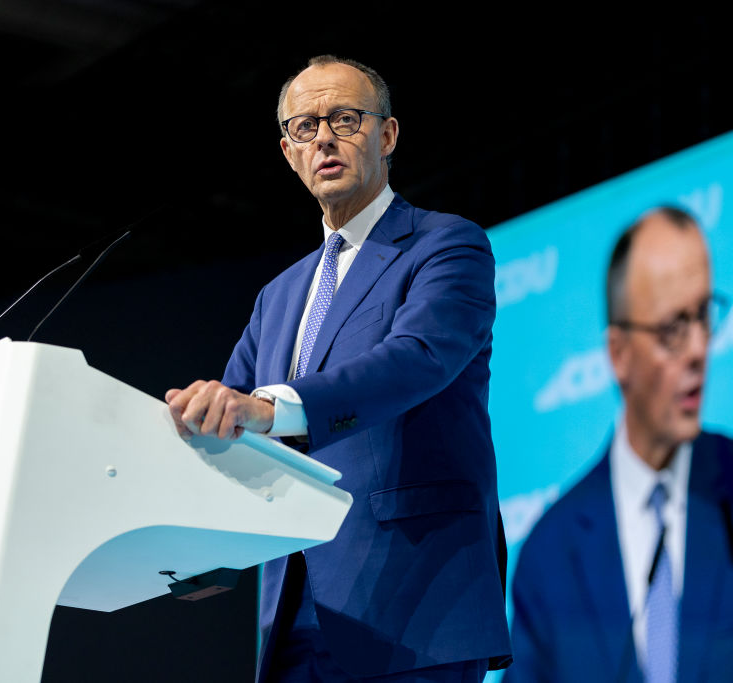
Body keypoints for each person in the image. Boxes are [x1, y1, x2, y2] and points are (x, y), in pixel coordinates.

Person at [165, 55, 511, 682]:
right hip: (293, 610)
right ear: (288, 151)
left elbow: (417, 359)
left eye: (345, 119)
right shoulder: (278, 296)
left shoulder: (445, 244)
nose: (324, 136)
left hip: (412, 600)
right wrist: (195, 551)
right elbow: (227, 420)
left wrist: (272, 409)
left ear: (387, 135)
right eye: (305, 127)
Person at [504, 208, 733, 682]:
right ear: (619, 355)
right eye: (672, 329)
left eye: (703, 316)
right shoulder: (549, 556)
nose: (698, 348)